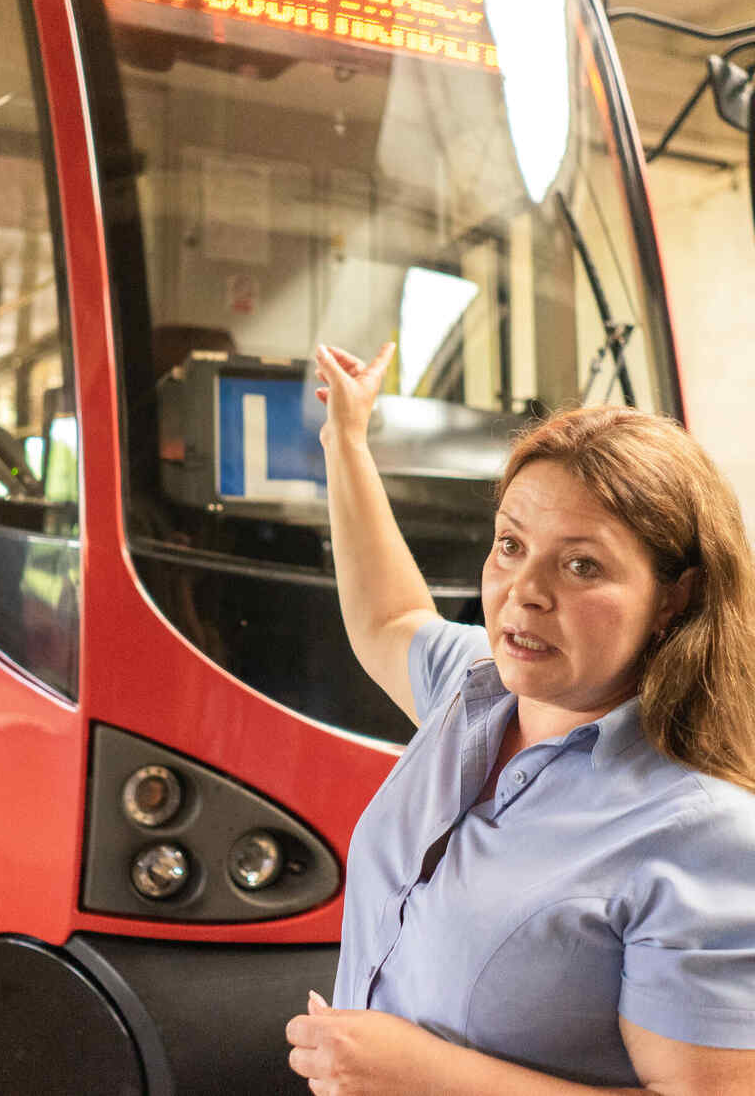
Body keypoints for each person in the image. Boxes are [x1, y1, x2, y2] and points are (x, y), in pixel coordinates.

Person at [286, 342, 755, 1095]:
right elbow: (389, 615)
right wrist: (345, 439)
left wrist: (423, 1076)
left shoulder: (706, 837)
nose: (522, 591)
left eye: (581, 564)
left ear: (675, 597)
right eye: (511, 545)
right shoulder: (475, 684)